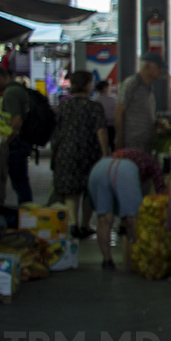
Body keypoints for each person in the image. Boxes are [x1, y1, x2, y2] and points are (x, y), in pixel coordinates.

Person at [87, 148, 166, 270]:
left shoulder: (131, 154)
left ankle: (107, 261)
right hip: (124, 169)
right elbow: (161, 190)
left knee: (104, 218)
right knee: (133, 216)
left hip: (100, 167)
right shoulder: (153, 165)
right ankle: (139, 259)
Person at [51, 71, 109, 237]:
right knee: (88, 190)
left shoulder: (63, 105)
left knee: (71, 190)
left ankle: (73, 223)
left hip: (66, 152)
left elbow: (57, 129)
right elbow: (101, 131)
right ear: (87, 85)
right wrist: (105, 153)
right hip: (88, 153)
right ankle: (85, 225)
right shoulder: (94, 107)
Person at [115, 53, 164, 153]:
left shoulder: (150, 86)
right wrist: (119, 138)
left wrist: (155, 122)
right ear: (147, 65)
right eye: (159, 67)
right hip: (132, 141)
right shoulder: (131, 83)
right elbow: (118, 112)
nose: (161, 71)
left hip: (147, 141)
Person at [0, 66, 32, 205]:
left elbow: (16, 121)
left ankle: (26, 215)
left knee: (18, 183)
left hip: (16, 145)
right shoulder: (18, 89)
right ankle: (26, 214)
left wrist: (6, 142)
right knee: (20, 182)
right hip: (22, 143)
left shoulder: (11, 92)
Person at [94, 80, 116, 151]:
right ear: (105, 88)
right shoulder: (113, 100)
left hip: (98, 128)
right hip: (112, 128)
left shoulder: (95, 101)